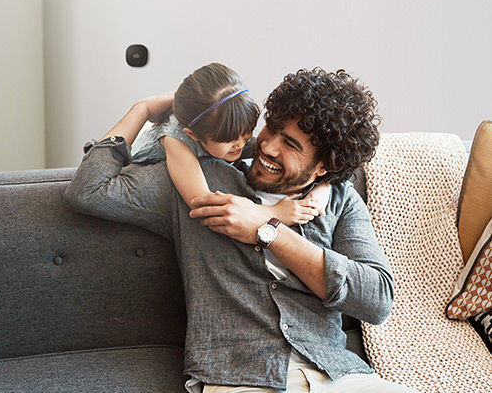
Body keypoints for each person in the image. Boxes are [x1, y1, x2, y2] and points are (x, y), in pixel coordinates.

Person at [64, 68, 415, 392]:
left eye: (291, 145)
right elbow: (88, 191)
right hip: (241, 378)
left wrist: (268, 228)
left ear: (324, 167)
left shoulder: (338, 200)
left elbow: (377, 298)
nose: (268, 146)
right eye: (271, 127)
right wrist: (140, 110)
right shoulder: (196, 182)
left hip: (342, 376)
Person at [132, 63, 329, 225]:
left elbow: (318, 165)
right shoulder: (177, 143)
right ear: (193, 135)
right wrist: (274, 213)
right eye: (230, 141)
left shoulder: (225, 131)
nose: (241, 145)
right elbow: (201, 203)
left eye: (246, 134)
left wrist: (323, 187)